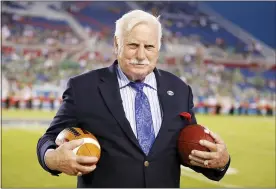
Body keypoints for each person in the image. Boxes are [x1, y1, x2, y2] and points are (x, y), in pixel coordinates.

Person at [37, 10, 231, 188]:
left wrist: (220, 161)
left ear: (159, 47)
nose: (140, 55)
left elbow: (188, 149)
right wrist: (53, 158)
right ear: (116, 44)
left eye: (149, 46)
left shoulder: (180, 90)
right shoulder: (83, 88)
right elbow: (48, 139)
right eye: (132, 45)